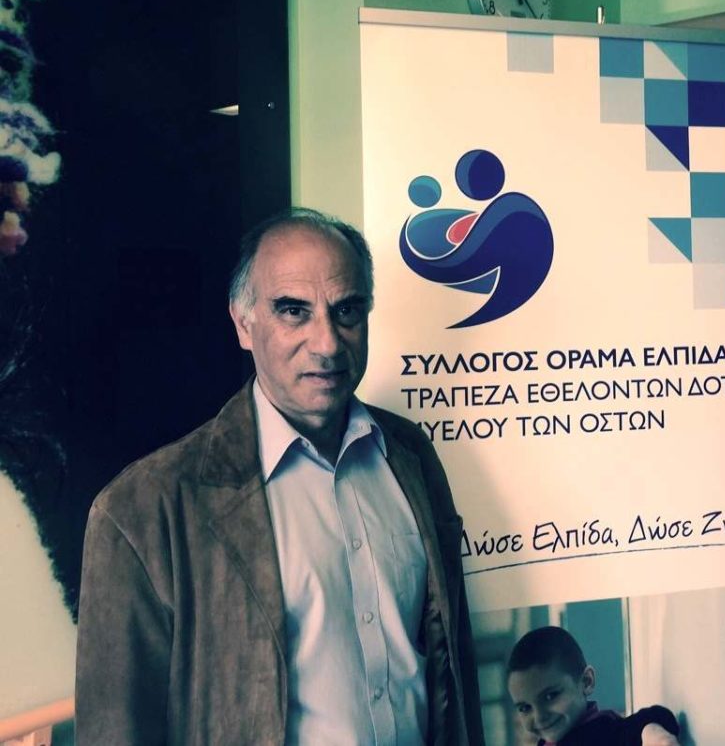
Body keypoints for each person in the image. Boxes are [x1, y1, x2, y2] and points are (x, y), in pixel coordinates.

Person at [75, 208, 484, 745]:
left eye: (346, 310)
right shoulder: (142, 509)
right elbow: (115, 731)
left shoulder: (410, 456)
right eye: (294, 311)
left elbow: (452, 676)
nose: (327, 343)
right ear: (243, 325)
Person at [507, 626, 681, 746]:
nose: (539, 717)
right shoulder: (545, 743)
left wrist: (651, 732)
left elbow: (648, 720)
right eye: (525, 708)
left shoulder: (601, 731)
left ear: (586, 681)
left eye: (550, 696)